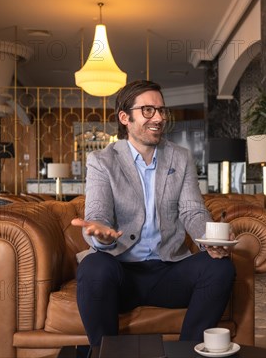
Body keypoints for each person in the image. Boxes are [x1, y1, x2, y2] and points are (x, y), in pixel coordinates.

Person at [72, 80, 235, 349]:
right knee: (93, 267)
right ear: (125, 117)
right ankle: (107, 354)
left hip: (169, 270)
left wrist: (211, 238)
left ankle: (187, 353)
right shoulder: (102, 161)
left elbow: (192, 210)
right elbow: (98, 214)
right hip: (121, 273)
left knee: (220, 266)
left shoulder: (179, 157)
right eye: (148, 110)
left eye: (161, 110)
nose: (158, 118)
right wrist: (102, 235)